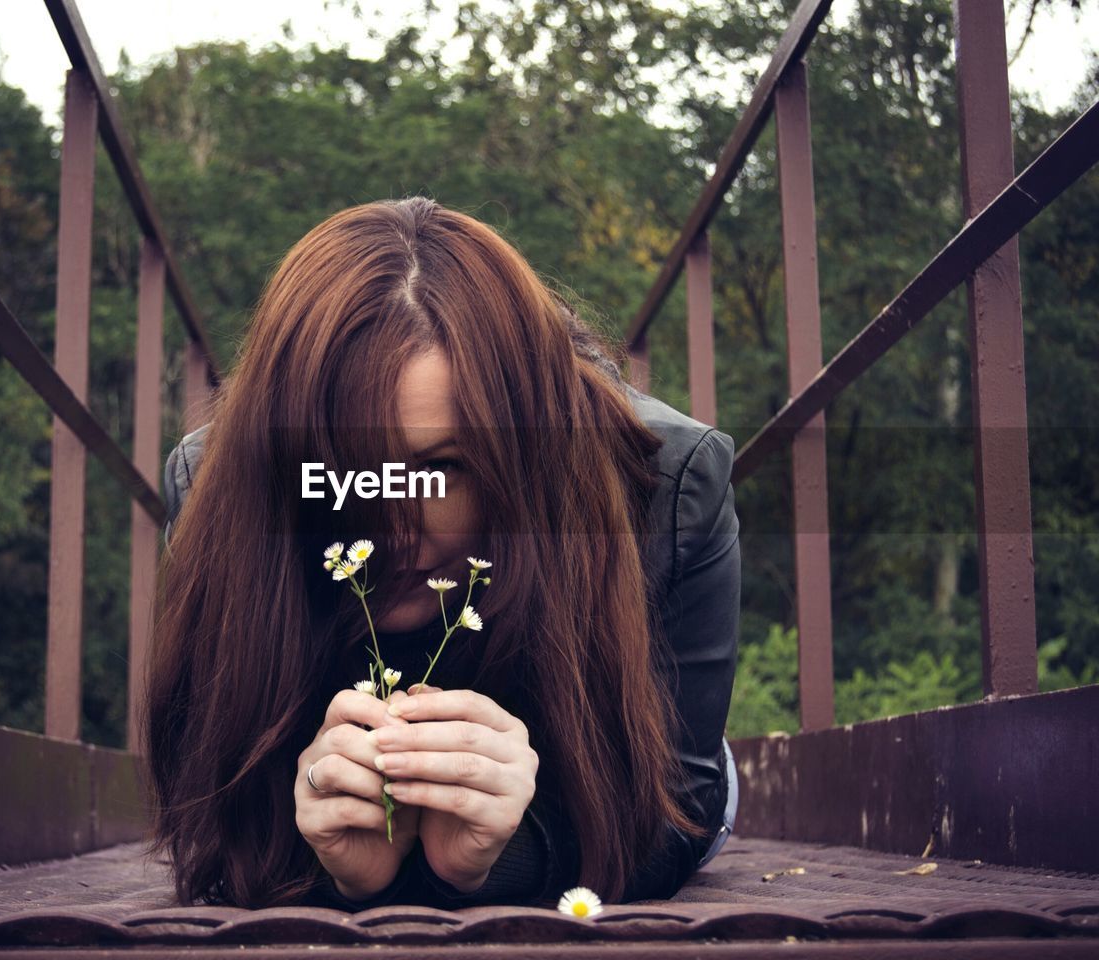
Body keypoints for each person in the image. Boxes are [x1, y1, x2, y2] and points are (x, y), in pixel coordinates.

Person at [144, 196, 739, 911]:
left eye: (446, 467)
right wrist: (333, 857)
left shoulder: (667, 478)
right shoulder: (217, 484)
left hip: (590, 755)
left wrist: (497, 860)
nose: (394, 529)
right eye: (345, 468)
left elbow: (674, 806)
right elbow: (205, 809)